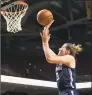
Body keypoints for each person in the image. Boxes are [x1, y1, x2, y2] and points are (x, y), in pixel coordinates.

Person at [40, 20, 82, 95]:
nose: (59, 49)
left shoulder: (70, 58)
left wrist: (45, 43)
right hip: (62, 92)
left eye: (62, 47)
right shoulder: (60, 60)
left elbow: (50, 58)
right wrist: (44, 41)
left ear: (68, 51)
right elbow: (48, 51)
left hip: (69, 91)